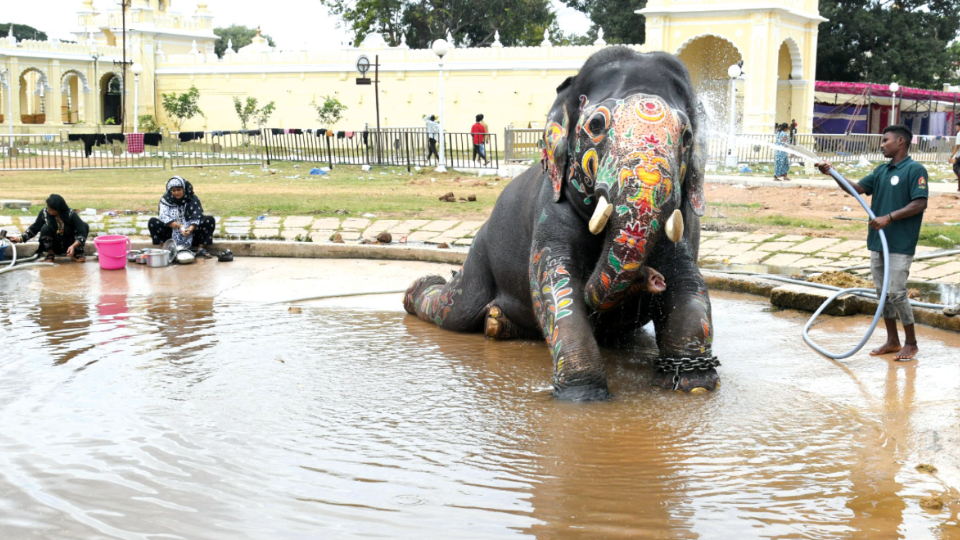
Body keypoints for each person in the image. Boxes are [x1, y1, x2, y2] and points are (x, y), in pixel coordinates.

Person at [816, 124, 928, 360]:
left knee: (897, 292)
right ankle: (892, 340)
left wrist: (889, 217)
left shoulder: (915, 169)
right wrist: (832, 173)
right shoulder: (881, 171)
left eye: (885, 140)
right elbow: (856, 189)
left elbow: (919, 203)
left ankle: (911, 343)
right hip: (878, 242)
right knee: (882, 293)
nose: (881, 144)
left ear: (900, 142)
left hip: (900, 243)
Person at [147, 176, 216, 258]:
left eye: (179, 190)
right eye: (173, 190)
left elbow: (196, 216)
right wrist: (178, 226)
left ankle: (200, 249)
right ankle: (167, 250)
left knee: (209, 220)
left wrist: (189, 230)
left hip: (192, 233)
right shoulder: (165, 200)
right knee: (153, 222)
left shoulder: (192, 199)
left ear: (184, 188)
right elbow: (163, 216)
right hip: (171, 232)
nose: (176, 193)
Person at [8, 194, 89, 263]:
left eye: (51, 209)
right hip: (55, 244)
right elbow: (35, 227)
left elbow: (82, 232)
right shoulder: (44, 213)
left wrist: (73, 246)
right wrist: (20, 238)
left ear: (59, 210)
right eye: (48, 207)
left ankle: (77, 253)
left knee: (84, 226)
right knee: (45, 228)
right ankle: (50, 254)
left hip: (70, 245)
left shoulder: (71, 214)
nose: (48, 210)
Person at [950, 120, 960, 192]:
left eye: (957, 126)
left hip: (959, 156)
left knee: (956, 168)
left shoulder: (959, 134)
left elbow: (957, 146)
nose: (956, 127)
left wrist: (952, 156)